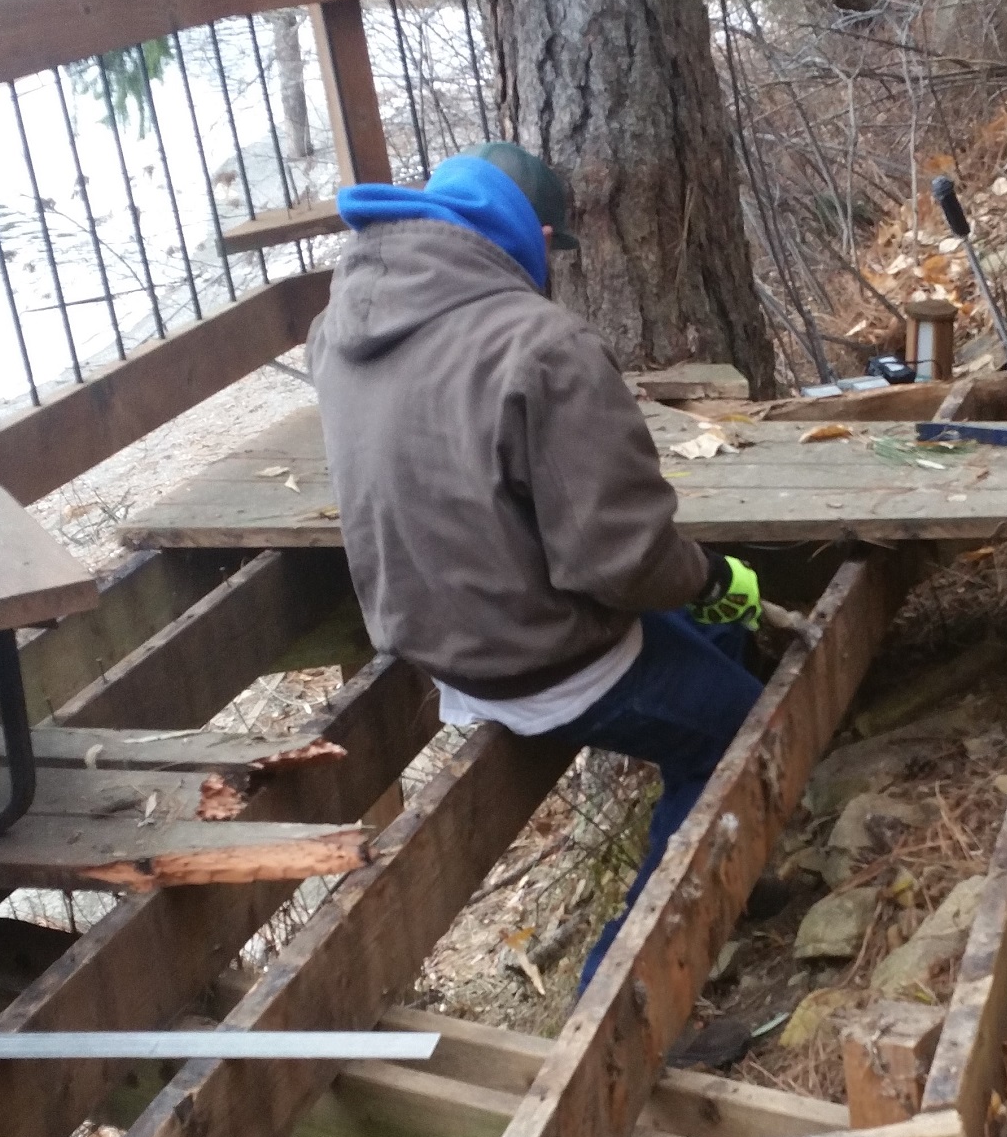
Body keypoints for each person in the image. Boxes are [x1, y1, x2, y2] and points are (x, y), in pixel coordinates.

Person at [309, 141, 764, 982]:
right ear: (539, 234)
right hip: (539, 658)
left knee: (705, 640)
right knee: (745, 734)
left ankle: (720, 862)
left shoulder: (336, 329)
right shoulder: (539, 344)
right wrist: (708, 577)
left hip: (434, 641)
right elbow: (620, 563)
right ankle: (623, 983)